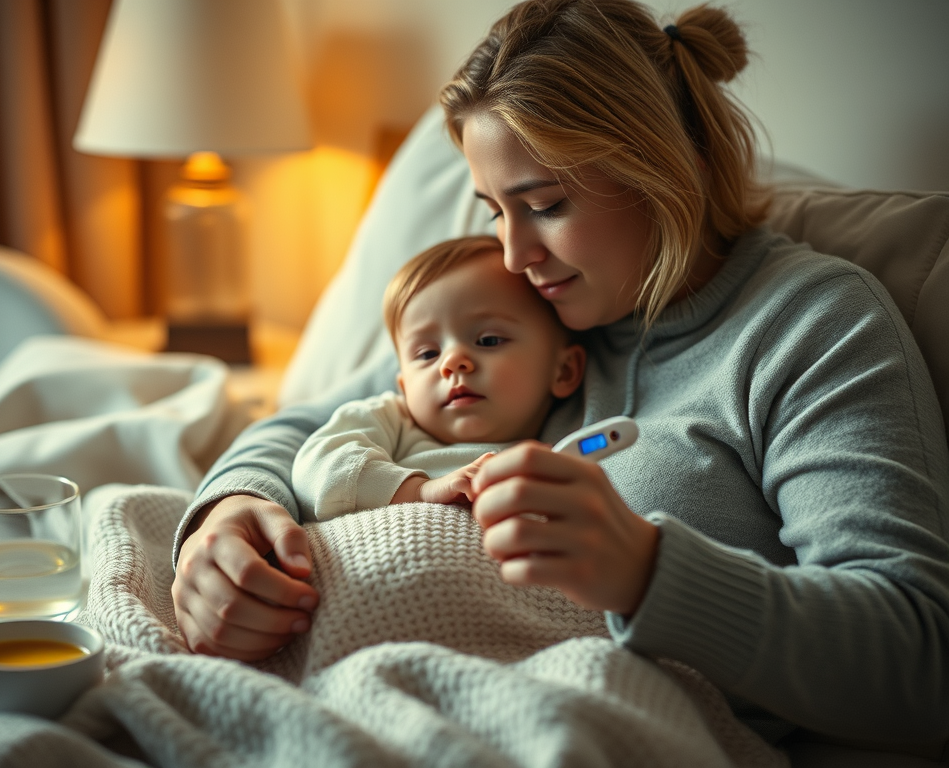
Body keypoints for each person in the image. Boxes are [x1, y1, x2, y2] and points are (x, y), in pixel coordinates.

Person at [171, 0, 949, 753]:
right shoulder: (524, 304)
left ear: (669, 169)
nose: (515, 254)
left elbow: (919, 654)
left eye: (543, 204)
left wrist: (645, 572)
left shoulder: (809, 324)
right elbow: (304, 424)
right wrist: (228, 515)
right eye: (493, 210)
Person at [292, 235, 585, 522]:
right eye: (427, 354)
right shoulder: (394, 420)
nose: (451, 362)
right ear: (404, 387)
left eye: (488, 340)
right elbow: (315, 468)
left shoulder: (573, 449)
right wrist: (421, 490)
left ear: (564, 371)